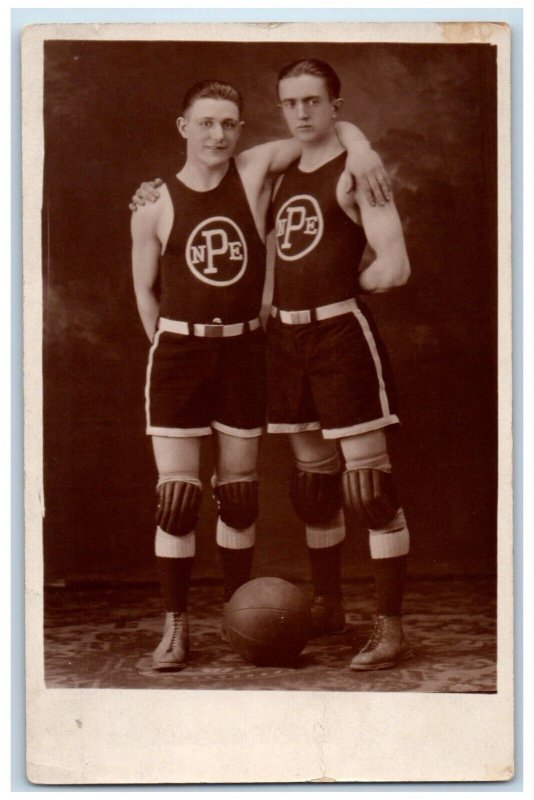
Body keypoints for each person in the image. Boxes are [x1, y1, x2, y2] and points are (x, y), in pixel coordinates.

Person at [130, 78, 389, 671]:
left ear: (240, 130)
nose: (218, 135)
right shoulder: (154, 204)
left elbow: (319, 130)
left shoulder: (252, 172)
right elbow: (144, 290)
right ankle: (176, 627)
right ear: (183, 127)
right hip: (178, 355)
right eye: (205, 123)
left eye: (229, 124)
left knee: (239, 498)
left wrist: (364, 145)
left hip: (245, 353)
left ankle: (230, 612)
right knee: (175, 499)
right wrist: (171, 347)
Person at [267, 59, 412, 670]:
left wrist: (343, 290)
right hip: (286, 341)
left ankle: (390, 626)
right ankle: (329, 604)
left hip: (339, 336)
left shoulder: (355, 174)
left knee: (369, 485)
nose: (301, 113)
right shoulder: (276, 171)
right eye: (290, 102)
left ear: (335, 106)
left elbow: (394, 264)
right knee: (314, 486)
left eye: (313, 102)